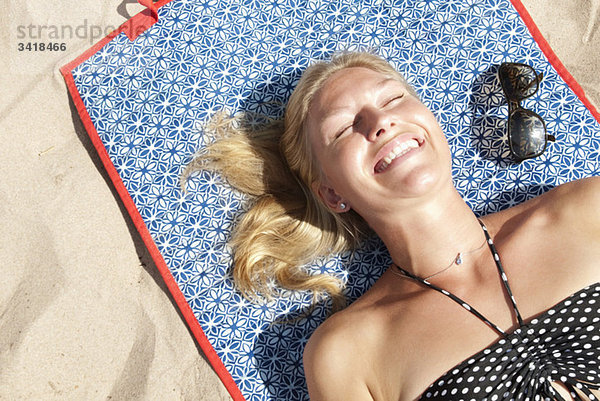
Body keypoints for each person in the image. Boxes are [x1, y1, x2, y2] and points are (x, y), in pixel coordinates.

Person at [191, 52, 600, 400]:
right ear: (333, 195)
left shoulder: (583, 210)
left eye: (393, 98)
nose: (379, 122)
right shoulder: (350, 352)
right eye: (344, 127)